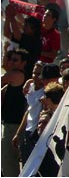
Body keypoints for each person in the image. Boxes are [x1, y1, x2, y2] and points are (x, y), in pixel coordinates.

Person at [1, 48, 29, 177]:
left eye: (15, 60)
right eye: (10, 59)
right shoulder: (13, 79)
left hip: (14, 125)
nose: (11, 62)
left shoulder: (16, 75)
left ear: (23, 63)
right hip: (13, 124)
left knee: (8, 162)